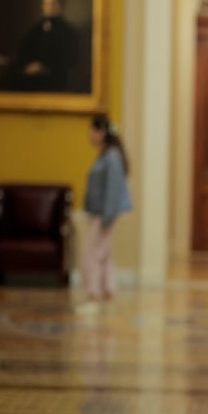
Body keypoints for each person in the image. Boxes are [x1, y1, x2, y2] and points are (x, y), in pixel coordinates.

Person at [79, 114, 132, 308]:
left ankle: (92, 296)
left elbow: (113, 189)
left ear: (101, 132)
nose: (90, 135)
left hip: (105, 214)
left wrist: (107, 219)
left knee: (91, 254)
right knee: (105, 254)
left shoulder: (111, 157)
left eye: (92, 131)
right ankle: (108, 293)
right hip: (101, 213)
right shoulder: (106, 155)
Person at [11, 0, 79, 92]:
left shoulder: (69, 32)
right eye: (46, 4)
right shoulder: (34, 30)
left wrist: (44, 67)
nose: (49, 7)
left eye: (52, 4)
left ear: (60, 7)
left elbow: (70, 59)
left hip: (55, 77)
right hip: (30, 74)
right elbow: (23, 52)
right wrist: (27, 67)